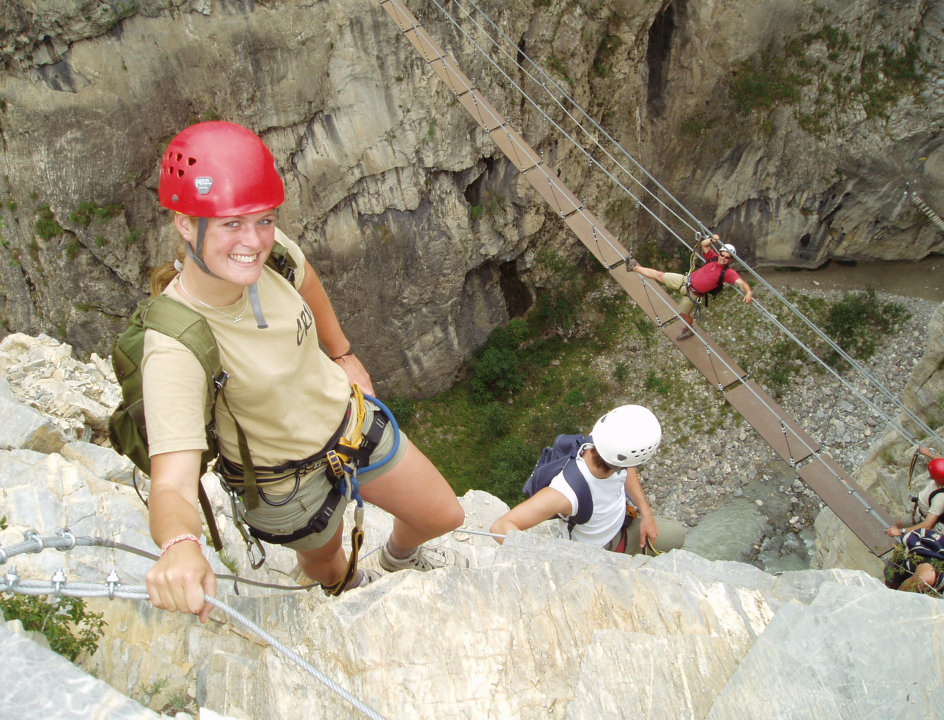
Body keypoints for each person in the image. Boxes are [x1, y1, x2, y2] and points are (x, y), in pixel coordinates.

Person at [143, 121, 467, 622]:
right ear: (185, 223)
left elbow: (306, 278)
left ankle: (397, 559)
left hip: (351, 423)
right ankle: (352, 584)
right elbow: (171, 485)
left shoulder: (269, 255)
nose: (253, 241)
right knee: (329, 564)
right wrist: (182, 544)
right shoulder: (175, 345)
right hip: (287, 487)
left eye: (265, 219)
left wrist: (342, 354)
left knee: (444, 514)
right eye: (231, 224)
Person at [490, 405, 685, 555]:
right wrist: (543, 557)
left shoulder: (604, 443)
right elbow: (501, 527)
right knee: (678, 534)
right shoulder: (568, 491)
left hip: (621, 522)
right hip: (603, 548)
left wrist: (646, 513)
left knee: (671, 529)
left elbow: (626, 468)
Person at [631, 234, 753, 340]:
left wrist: (748, 292)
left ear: (731, 259)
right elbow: (704, 244)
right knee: (659, 275)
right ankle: (634, 267)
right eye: (722, 254)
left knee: (685, 314)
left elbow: (741, 283)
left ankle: (689, 329)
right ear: (720, 253)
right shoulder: (713, 258)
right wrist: (712, 240)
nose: (723, 258)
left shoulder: (728, 272)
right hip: (685, 281)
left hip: (693, 294)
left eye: (727, 257)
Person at [883, 446, 944, 593]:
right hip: (917, 514)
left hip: (923, 519)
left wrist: (902, 532)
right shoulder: (941, 479)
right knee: (898, 522)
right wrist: (928, 453)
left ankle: (902, 549)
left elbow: (928, 525)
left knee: (904, 531)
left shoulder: (940, 499)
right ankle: (900, 542)